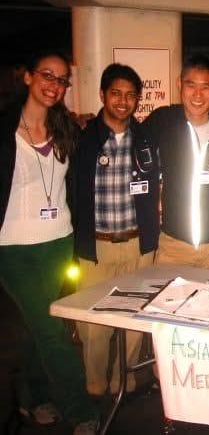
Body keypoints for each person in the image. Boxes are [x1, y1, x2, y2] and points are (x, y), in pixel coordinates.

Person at [0, 51, 99, 434]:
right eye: (47, 75)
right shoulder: (5, 131)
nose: (54, 85)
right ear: (27, 76)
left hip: (58, 241)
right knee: (51, 328)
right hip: (12, 248)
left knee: (34, 325)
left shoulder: (66, 129)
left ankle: (34, 397)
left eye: (61, 80)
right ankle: (82, 411)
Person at [73, 63, 160, 397]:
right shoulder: (82, 138)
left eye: (130, 95)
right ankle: (95, 386)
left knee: (134, 318)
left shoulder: (146, 138)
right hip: (97, 247)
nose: (123, 101)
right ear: (102, 95)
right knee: (93, 325)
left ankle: (123, 380)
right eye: (116, 93)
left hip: (138, 245)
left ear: (137, 99)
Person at [143, 53, 209, 270]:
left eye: (206, 87)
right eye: (190, 85)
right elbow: (130, 139)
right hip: (174, 246)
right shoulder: (163, 121)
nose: (197, 94)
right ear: (179, 84)